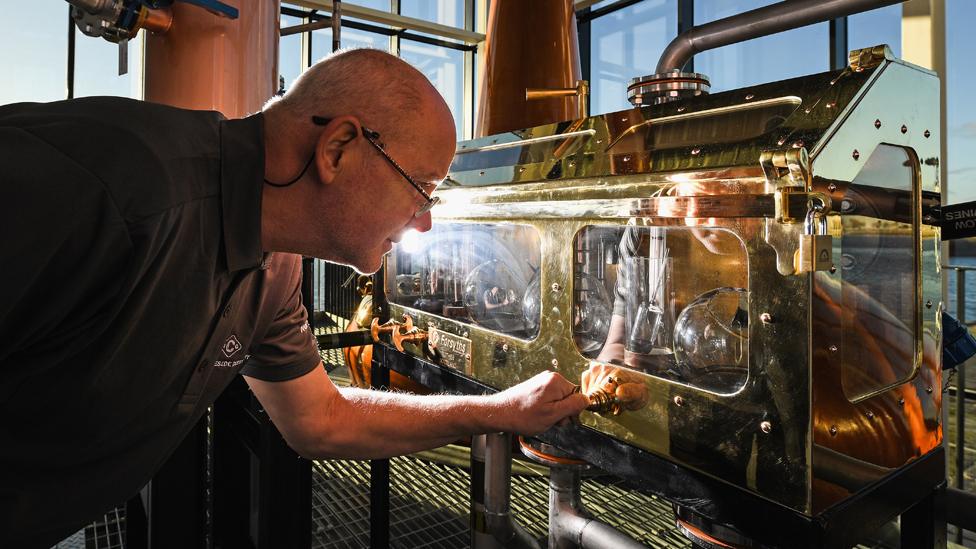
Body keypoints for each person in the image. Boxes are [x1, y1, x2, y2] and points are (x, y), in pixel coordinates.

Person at [0, 48, 590, 547]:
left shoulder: (275, 267)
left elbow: (320, 420)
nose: (426, 222)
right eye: (422, 189)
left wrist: (500, 410)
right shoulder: (108, 188)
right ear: (337, 149)